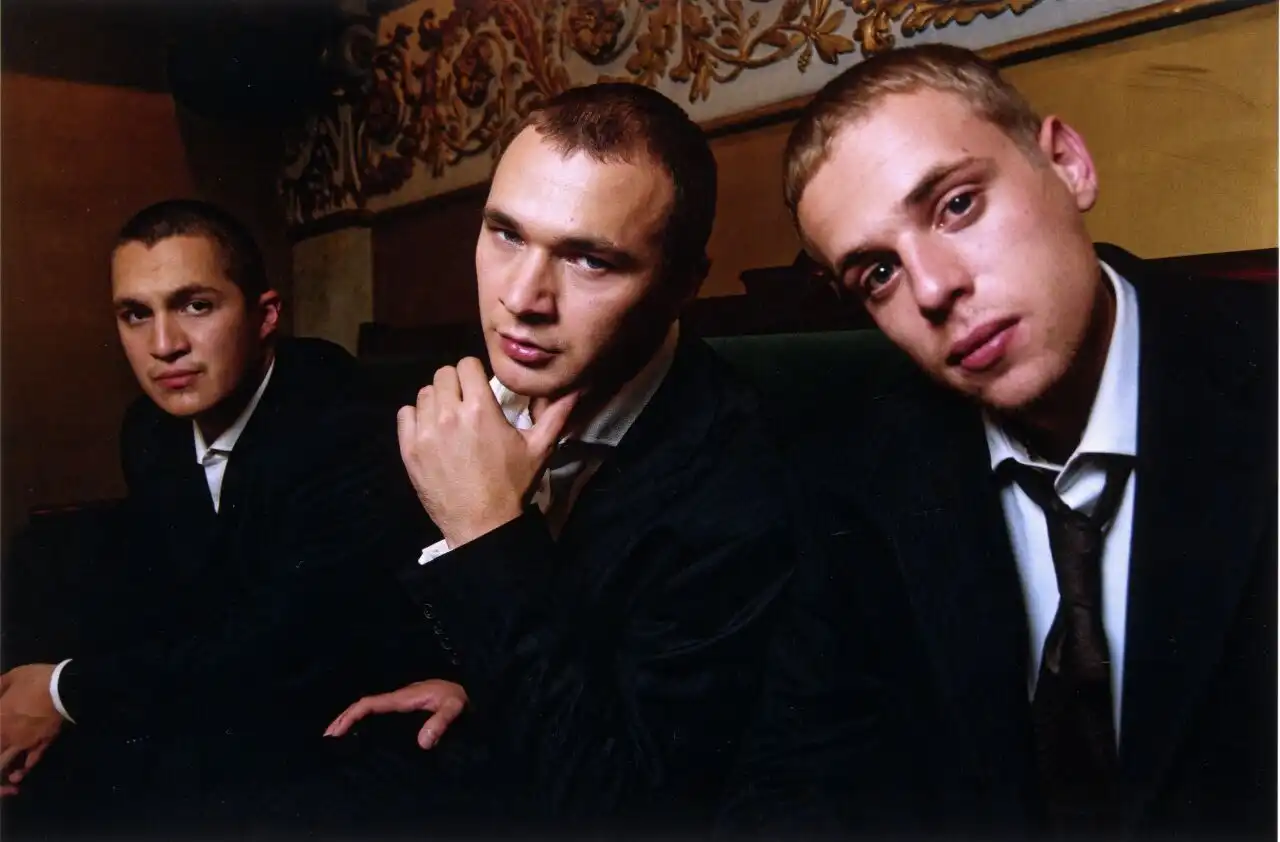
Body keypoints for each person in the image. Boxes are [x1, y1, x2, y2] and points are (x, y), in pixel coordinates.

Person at [719, 44, 1276, 841]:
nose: (933, 287)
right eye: (877, 273)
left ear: (1068, 164)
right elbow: (793, 787)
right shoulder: (855, 478)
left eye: (956, 205)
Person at [312, 82, 797, 839]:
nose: (522, 298)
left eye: (590, 260)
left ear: (682, 286)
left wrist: (485, 532)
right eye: (505, 234)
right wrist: (474, 685)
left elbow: (628, 810)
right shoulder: (468, 403)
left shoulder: (744, 484)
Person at [0, 199, 444, 836]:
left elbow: (283, 643)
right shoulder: (150, 429)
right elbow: (182, 601)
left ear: (266, 316)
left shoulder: (340, 421)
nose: (164, 346)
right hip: (243, 691)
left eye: (195, 306)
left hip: (361, 710)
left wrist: (63, 693)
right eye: (136, 314)